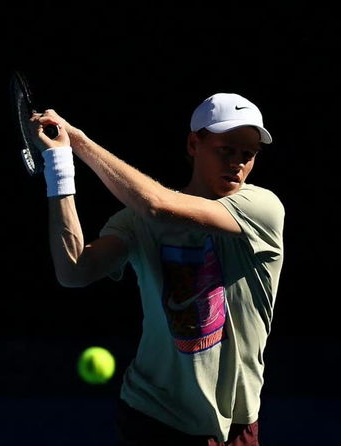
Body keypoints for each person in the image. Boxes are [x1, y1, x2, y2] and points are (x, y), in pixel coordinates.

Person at [28, 92, 285, 445]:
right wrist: (59, 165)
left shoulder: (262, 207)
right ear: (194, 144)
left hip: (236, 423)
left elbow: (157, 204)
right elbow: (74, 272)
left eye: (248, 154)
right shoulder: (136, 222)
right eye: (226, 150)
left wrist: (78, 141)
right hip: (153, 415)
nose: (238, 163)